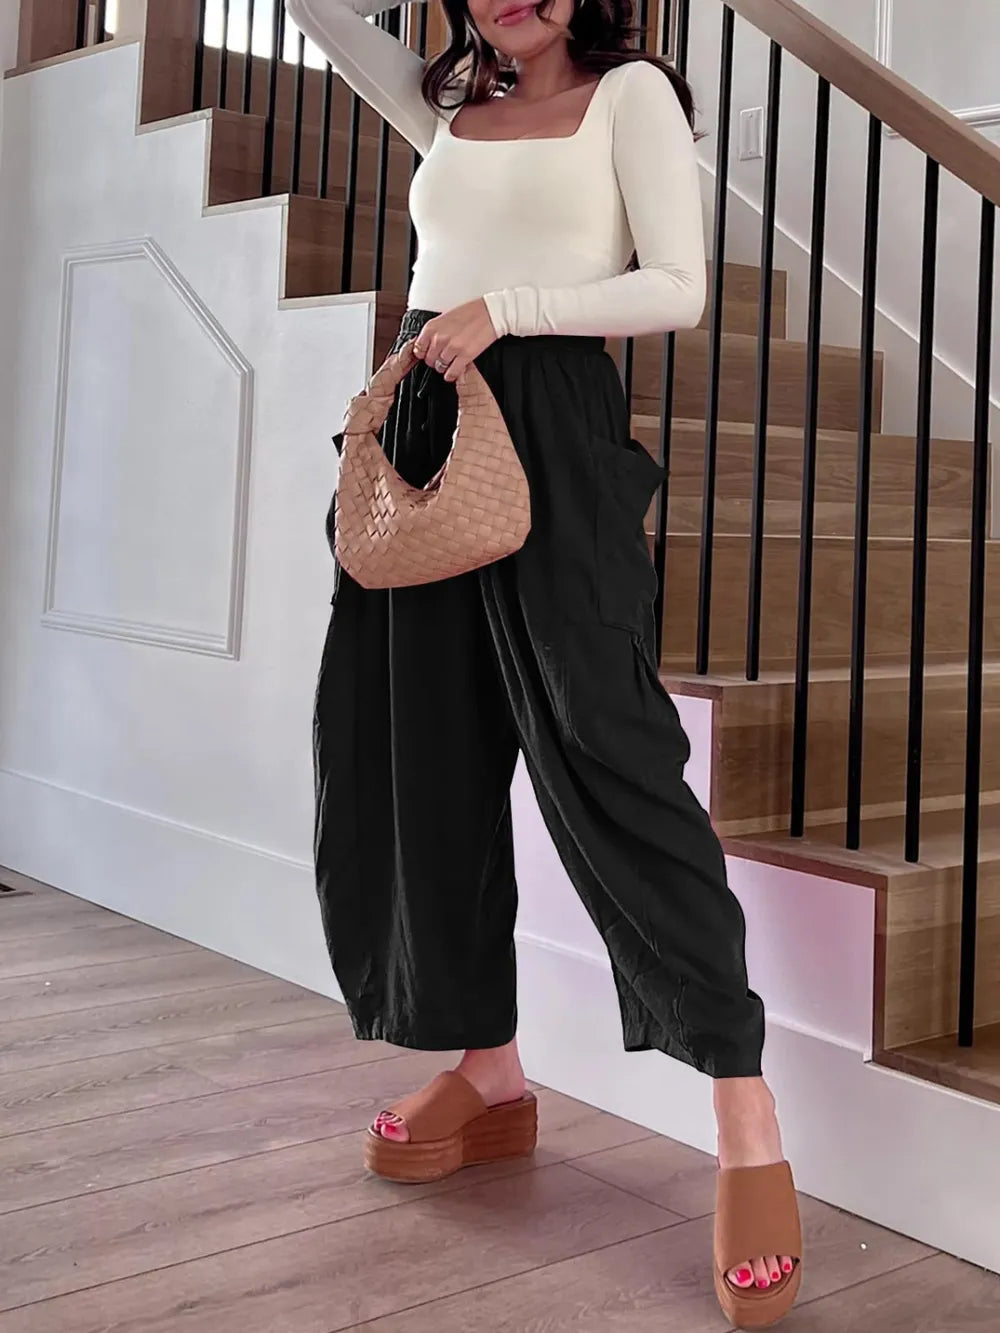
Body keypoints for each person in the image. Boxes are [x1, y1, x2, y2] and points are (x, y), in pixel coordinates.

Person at [287, 0, 802, 1323]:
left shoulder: (632, 97)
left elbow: (677, 287)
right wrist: (454, 326)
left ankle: (746, 1119)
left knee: (613, 755)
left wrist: (498, 307)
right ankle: (490, 1069)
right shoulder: (450, 98)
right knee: (422, 762)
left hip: (555, 427)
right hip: (421, 421)